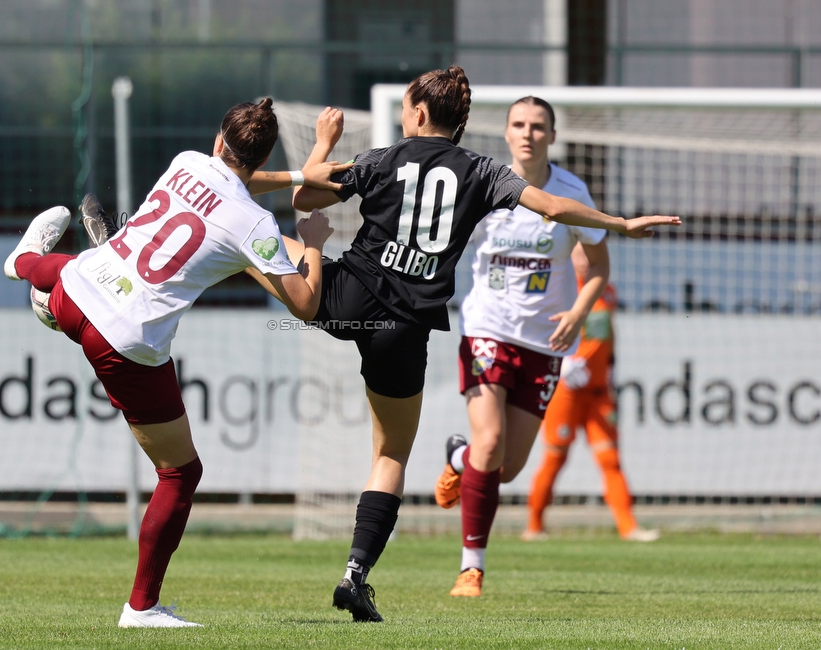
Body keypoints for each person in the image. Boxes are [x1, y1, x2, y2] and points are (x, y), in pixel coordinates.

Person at [269, 72, 678, 621]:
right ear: (465, 125)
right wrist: (619, 223)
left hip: (349, 296)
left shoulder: (382, 157)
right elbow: (554, 210)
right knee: (390, 455)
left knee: (262, 244)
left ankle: (209, 234)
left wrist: (323, 143)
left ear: (413, 113)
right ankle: (355, 575)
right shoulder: (484, 172)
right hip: (405, 326)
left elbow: (305, 194)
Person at [3, 98, 345, 628]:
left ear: (217, 141)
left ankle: (27, 265)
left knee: (76, 278)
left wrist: (300, 172)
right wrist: (316, 242)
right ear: (260, 155)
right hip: (126, 341)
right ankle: (140, 609)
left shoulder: (186, 162)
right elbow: (303, 303)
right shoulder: (253, 223)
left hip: (80, 288)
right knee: (180, 473)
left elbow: (231, 182)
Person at [432, 95, 632, 598]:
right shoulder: (483, 186)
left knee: (503, 468)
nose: (528, 133)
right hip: (486, 329)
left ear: (552, 136)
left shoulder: (571, 192)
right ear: (505, 134)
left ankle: (460, 460)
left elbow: (600, 267)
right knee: (492, 443)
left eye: (538, 126)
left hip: (544, 341)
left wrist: (580, 312)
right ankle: (470, 568)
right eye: (518, 124)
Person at [522, 248, 659, 543]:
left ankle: (628, 527)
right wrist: (562, 364)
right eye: (578, 254)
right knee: (555, 457)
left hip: (598, 392)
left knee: (611, 459)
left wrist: (609, 367)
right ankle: (533, 526)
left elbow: (609, 335)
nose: (584, 260)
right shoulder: (557, 289)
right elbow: (537, 332)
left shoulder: (607, 291)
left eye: (588, 253)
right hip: (566, 391)